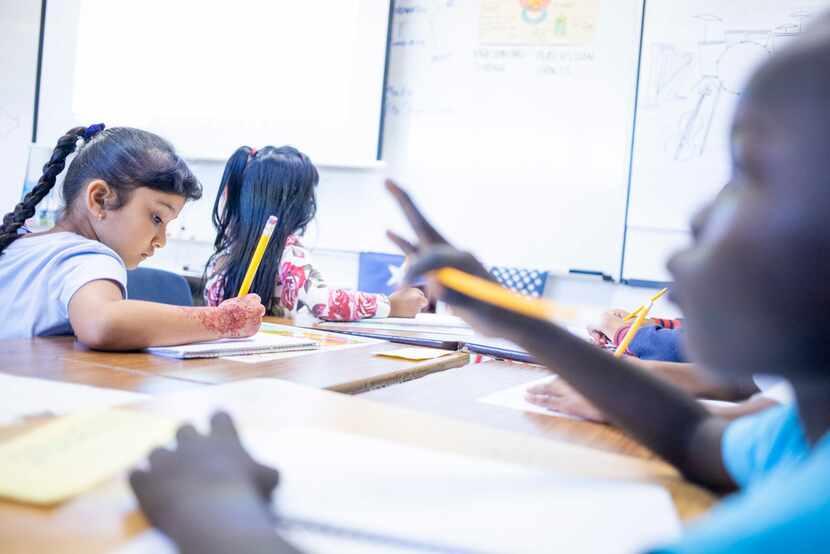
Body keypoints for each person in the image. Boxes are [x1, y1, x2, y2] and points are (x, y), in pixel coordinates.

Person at [0, 125, 265, 348]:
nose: (161, 240)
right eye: (157, 218)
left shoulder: (18, 243)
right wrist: (224, 320)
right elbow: (101, 322)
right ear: (100, 199)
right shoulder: (90, 255)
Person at [204, 146, 427, 321]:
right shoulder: (287, 251)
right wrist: (393, 305)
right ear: (296, 204)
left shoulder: (224, 256)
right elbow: (323, 302)